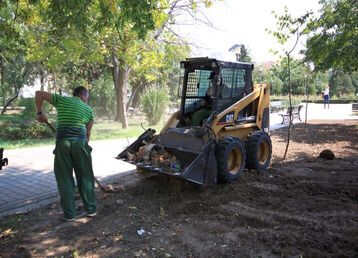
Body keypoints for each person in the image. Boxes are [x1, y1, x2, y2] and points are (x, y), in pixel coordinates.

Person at [35, 87, 96, 221]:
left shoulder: (62, 100)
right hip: (80, 144)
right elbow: (87, 135)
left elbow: (39, 94)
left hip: (63, 144)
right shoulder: (89, 110)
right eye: (87, 97)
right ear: (84, 95)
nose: (87, 100)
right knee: (85, 176)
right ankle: (91, 209)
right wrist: (84, 148)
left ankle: (70, 214)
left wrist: (40, 112)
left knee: (64, 179)